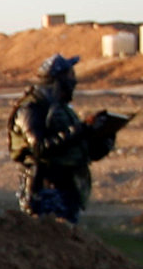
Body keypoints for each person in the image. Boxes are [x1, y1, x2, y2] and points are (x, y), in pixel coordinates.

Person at [8, 54, 98, 222]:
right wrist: (78, 131)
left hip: (67, 187)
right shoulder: (31, 108)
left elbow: (78, 148)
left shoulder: (59, 109)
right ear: (57, 80)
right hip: (45, 191)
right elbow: (39, 147)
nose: (74, 81)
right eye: (70, 76)